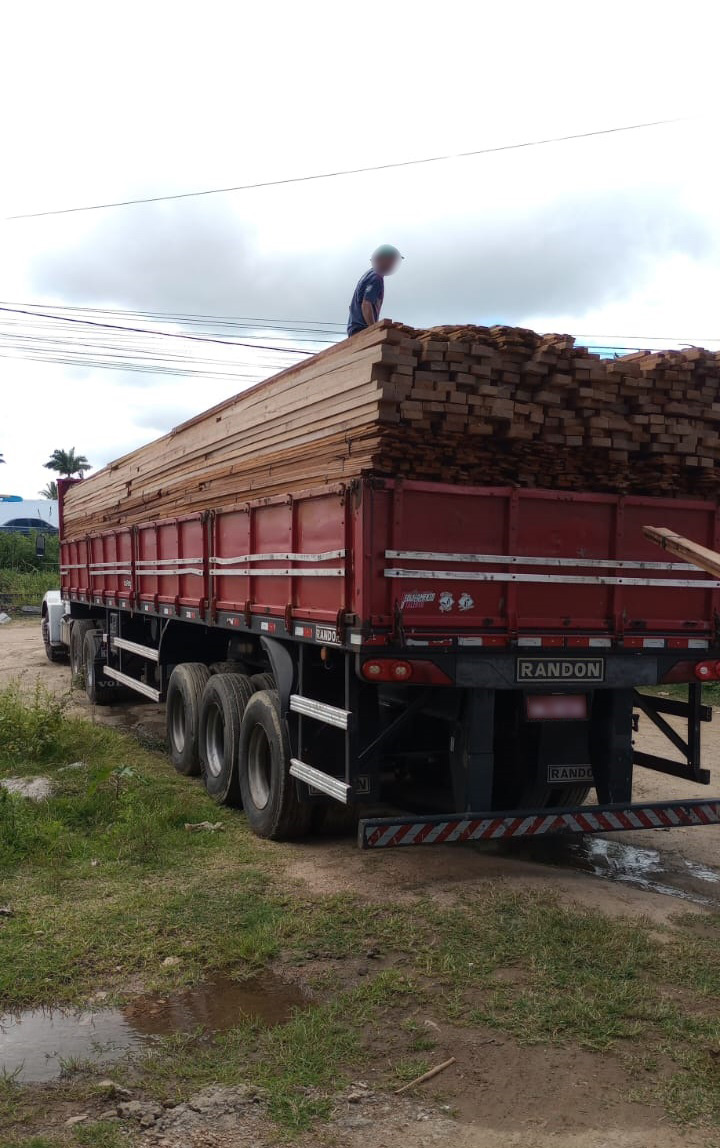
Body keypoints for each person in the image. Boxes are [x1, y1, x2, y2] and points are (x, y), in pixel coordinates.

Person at [347, 245, 403, 337]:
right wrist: (374, 330)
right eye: (391, 261)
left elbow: (352, 307)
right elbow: (366, 304)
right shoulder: (376, 278)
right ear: (383, 260)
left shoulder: (369, 274)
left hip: (355, 329)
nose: (392, 264)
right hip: (362, 330)